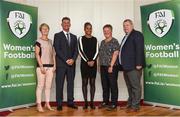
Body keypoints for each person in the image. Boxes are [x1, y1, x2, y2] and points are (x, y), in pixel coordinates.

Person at [119, 19, 145, 112]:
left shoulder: (137, 34)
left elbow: (139, 50)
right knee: (130, 86)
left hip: (134, 66)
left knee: (135, 86)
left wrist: (139, 63)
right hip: (126, 67)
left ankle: (135, 106)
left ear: (132, 25)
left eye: (127, 25)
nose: (125, 27)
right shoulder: (126, 36)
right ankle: (130, 104)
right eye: (124, 26)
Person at [54, 17, 78, 111]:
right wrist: (66, 60)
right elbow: (57, 49)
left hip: (71, 65)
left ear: (70, 24)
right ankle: (59, 104)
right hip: (61, 64)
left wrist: (73, 59)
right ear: (61, 24)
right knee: (59, 84)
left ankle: (70, 102)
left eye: (68, 23)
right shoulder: (57, 35)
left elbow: (76, 50)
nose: (66, 24)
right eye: (64, 23)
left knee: (70, 84)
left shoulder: (74, 37)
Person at [35, 23, 56, 112]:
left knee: (48, 87)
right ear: (40, 30)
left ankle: (47, 104)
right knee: (40, 86)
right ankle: (39, 105)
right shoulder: (38, 41)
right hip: (41, 67)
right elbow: (37, 54)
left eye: (46, 28)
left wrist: (55, 65)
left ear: (48, 30)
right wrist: (41, 66)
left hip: (51, 67)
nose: (45, 30)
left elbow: (53, 54)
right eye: (43, 29)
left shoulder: (51, 41)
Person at [99, 24, 120, 111]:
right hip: (103, 67)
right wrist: (98, 66)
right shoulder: (102, 42)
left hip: (112, 67)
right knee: (105, 85)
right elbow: (100, 55)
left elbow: (116, 54)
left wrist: (111, 65)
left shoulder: (115, 41)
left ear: (111, 31)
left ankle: (114, 103)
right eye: (104, 31)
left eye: (107, 30)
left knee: (113, 85)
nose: (106, 32)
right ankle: (105, 101)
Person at [78, 22, 99, 109]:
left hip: (93, 64)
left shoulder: (95, 39)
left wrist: (93, 60)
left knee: (92, 83)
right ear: (84, 29)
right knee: (84, 83)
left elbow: (97, 51)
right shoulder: (80, 38)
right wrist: (87, 61)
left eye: (90, 28)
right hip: (84, 64)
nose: (89, 30)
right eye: (87, 28)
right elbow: (80, 51)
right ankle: (86, 102)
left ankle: (92, 102)